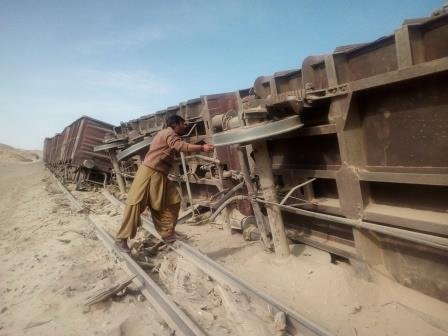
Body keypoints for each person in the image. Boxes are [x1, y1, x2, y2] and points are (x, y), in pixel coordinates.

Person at [116, 115, 214, 252]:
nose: (185, 126)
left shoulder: (166, 133)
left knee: (172, 201)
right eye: (182, 123)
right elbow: (179, 146)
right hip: (149, 172)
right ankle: (121, 239)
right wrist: (202, 147)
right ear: (175, 124)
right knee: (136, 204)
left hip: (159, 174)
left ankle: (167, 233)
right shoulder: (168, 133)